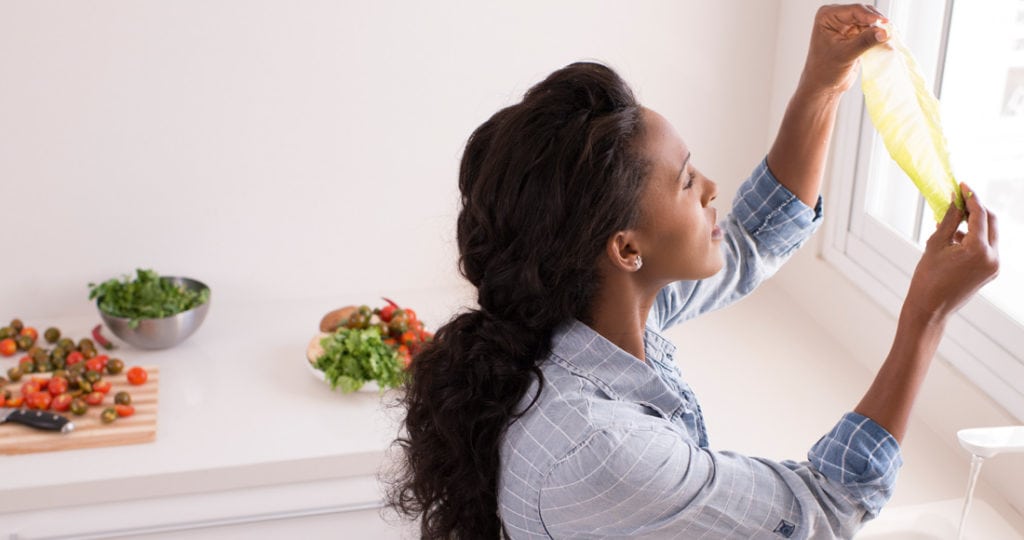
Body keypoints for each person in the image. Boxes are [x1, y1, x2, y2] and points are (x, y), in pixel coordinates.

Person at [386, 4, 1000, 539]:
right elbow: (823, 509)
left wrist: (824, 80)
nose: (710, 188)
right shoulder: (603, 451)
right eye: (685, 181)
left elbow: (754, 238)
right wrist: (927, 316)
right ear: (627, 249)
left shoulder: (581, 317)